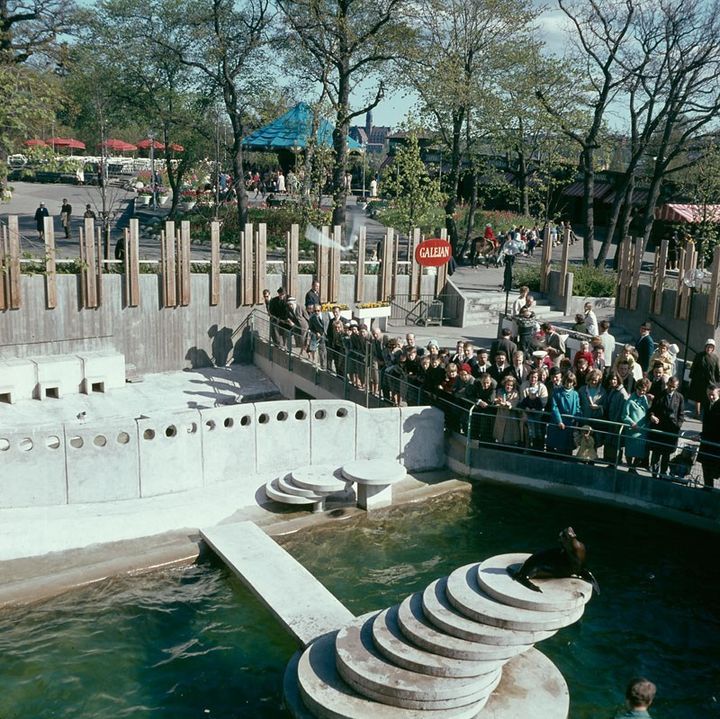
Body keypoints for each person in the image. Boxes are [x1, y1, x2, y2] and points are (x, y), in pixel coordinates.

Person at [647, 375, 684, 478]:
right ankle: (654, 473)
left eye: (674, 387)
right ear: (667, 384)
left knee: (666, 454)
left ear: (677, 387)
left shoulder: (679, 397)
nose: (671, 388)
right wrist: (652, 416)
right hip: (659, 428)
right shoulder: (660, 395)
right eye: (670, 386)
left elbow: (681, 414)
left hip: (671, 430)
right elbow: (652, 409)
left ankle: (663, 473)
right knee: (656, 453)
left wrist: (678, 426)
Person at [546, 372, 581, 455]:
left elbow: (577, 408)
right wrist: (559, 421)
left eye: (571, 382)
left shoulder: (575, 394)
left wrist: (578, 419)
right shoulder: (557, 392)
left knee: (569, 448)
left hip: (570, 424)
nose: (569, 384)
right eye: (567, 381)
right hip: (560, 424)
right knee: (559, 448)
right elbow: (554, 407)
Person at [622, 378, 651, 472]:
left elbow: (647, 411)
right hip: (632, 430)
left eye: (644, 391)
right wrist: (631, 423)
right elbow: (624, 416)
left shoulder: (645, 399)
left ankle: (633, 468)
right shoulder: (630, 400)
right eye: (640, 390)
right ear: (636, 388)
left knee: (641, 452)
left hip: (642, 430)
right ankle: (630, 467)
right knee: (630, 451)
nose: (642, 392)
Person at [688, 338, 720, 417]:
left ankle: (708, 413)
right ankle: (697, 413)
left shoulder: (715, 358)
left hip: (709, 381)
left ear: (713, 349)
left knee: (709, 397)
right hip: (698, 380)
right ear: (705, 347)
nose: (709, 349)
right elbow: (694, 367)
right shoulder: (699, 355)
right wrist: (691, 377)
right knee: (697, 397)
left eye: (711, 347)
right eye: (708, 347)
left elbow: (717, 370)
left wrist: (717, 381)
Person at [698, 383, 720, 489]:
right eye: (709, 395)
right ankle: (708, 487)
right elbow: (706, 424)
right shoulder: (707, 404)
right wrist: (700, 435)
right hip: (707, 441)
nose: (711, 397)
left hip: (716, 443)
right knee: (705, 466)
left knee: (715, 468)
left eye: (713, 395)